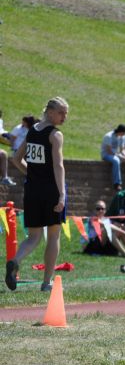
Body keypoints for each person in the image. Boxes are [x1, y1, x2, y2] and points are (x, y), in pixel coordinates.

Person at [7, 97, 69, 292]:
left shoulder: (33, 131)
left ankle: (15, 260)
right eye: (61, 112)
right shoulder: (55, 135)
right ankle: (46, 282)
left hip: (32, 189)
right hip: (50, 190)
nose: (64, 117)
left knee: (33, 237)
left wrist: (32, 174)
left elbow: (16, 158)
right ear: (50, 112)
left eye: (66, 113)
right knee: (53, 235)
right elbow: (58, 166)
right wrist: (62, 194)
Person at [101, 124, 125, 191]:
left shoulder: (121, 137)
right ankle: (117, 183)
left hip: (116, 155)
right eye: (124, 132)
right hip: (107, 155)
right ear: (121, 132)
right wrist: (120, 157)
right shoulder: (109, 136)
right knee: (116, 161)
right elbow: (109, 150)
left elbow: (122, 149)